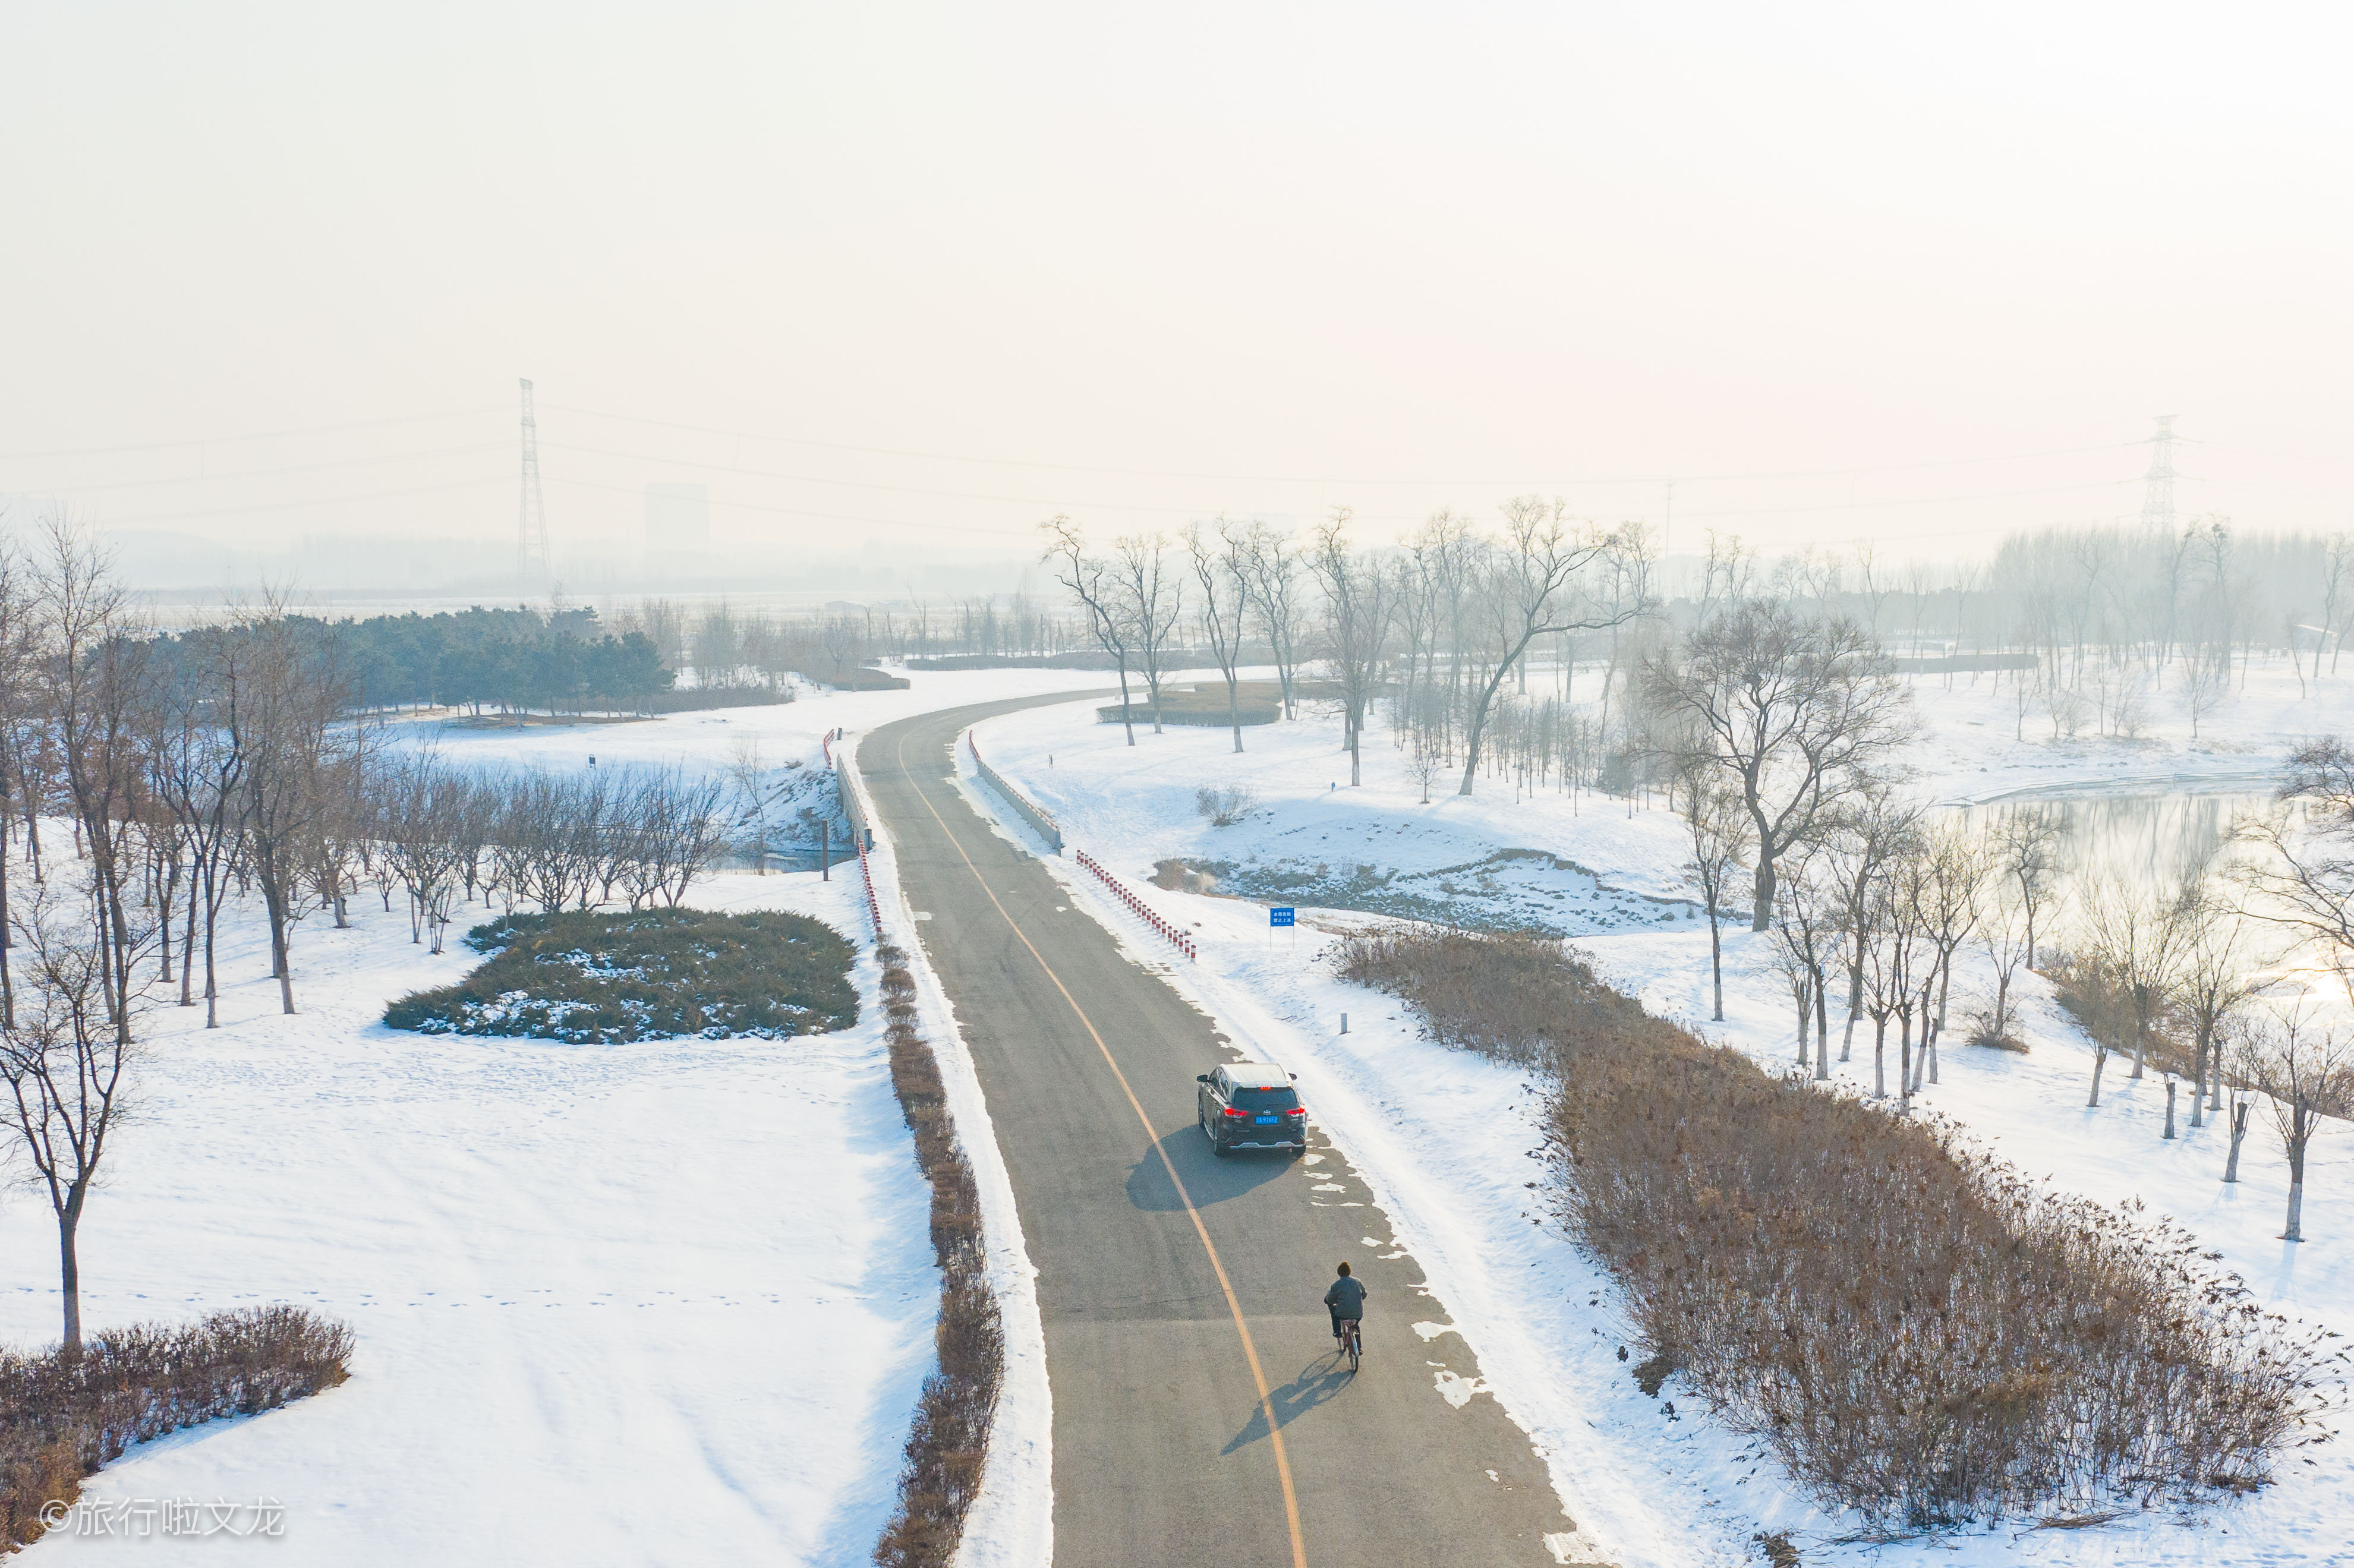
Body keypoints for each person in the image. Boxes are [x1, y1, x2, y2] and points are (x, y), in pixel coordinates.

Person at [1324, 1261, 1366, 1353]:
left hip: (1342, 1313)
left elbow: (1331, 1300)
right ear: (1349, 1272)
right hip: (1357, 1314)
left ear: (1339, 1273)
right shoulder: (1357, 1282)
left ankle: (1337, 1332)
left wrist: (1327, 1301)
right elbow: (1364, 1295)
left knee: (1333, 1311)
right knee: (1355, 1326)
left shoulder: (1337, 1285)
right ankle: (1359, 1347)